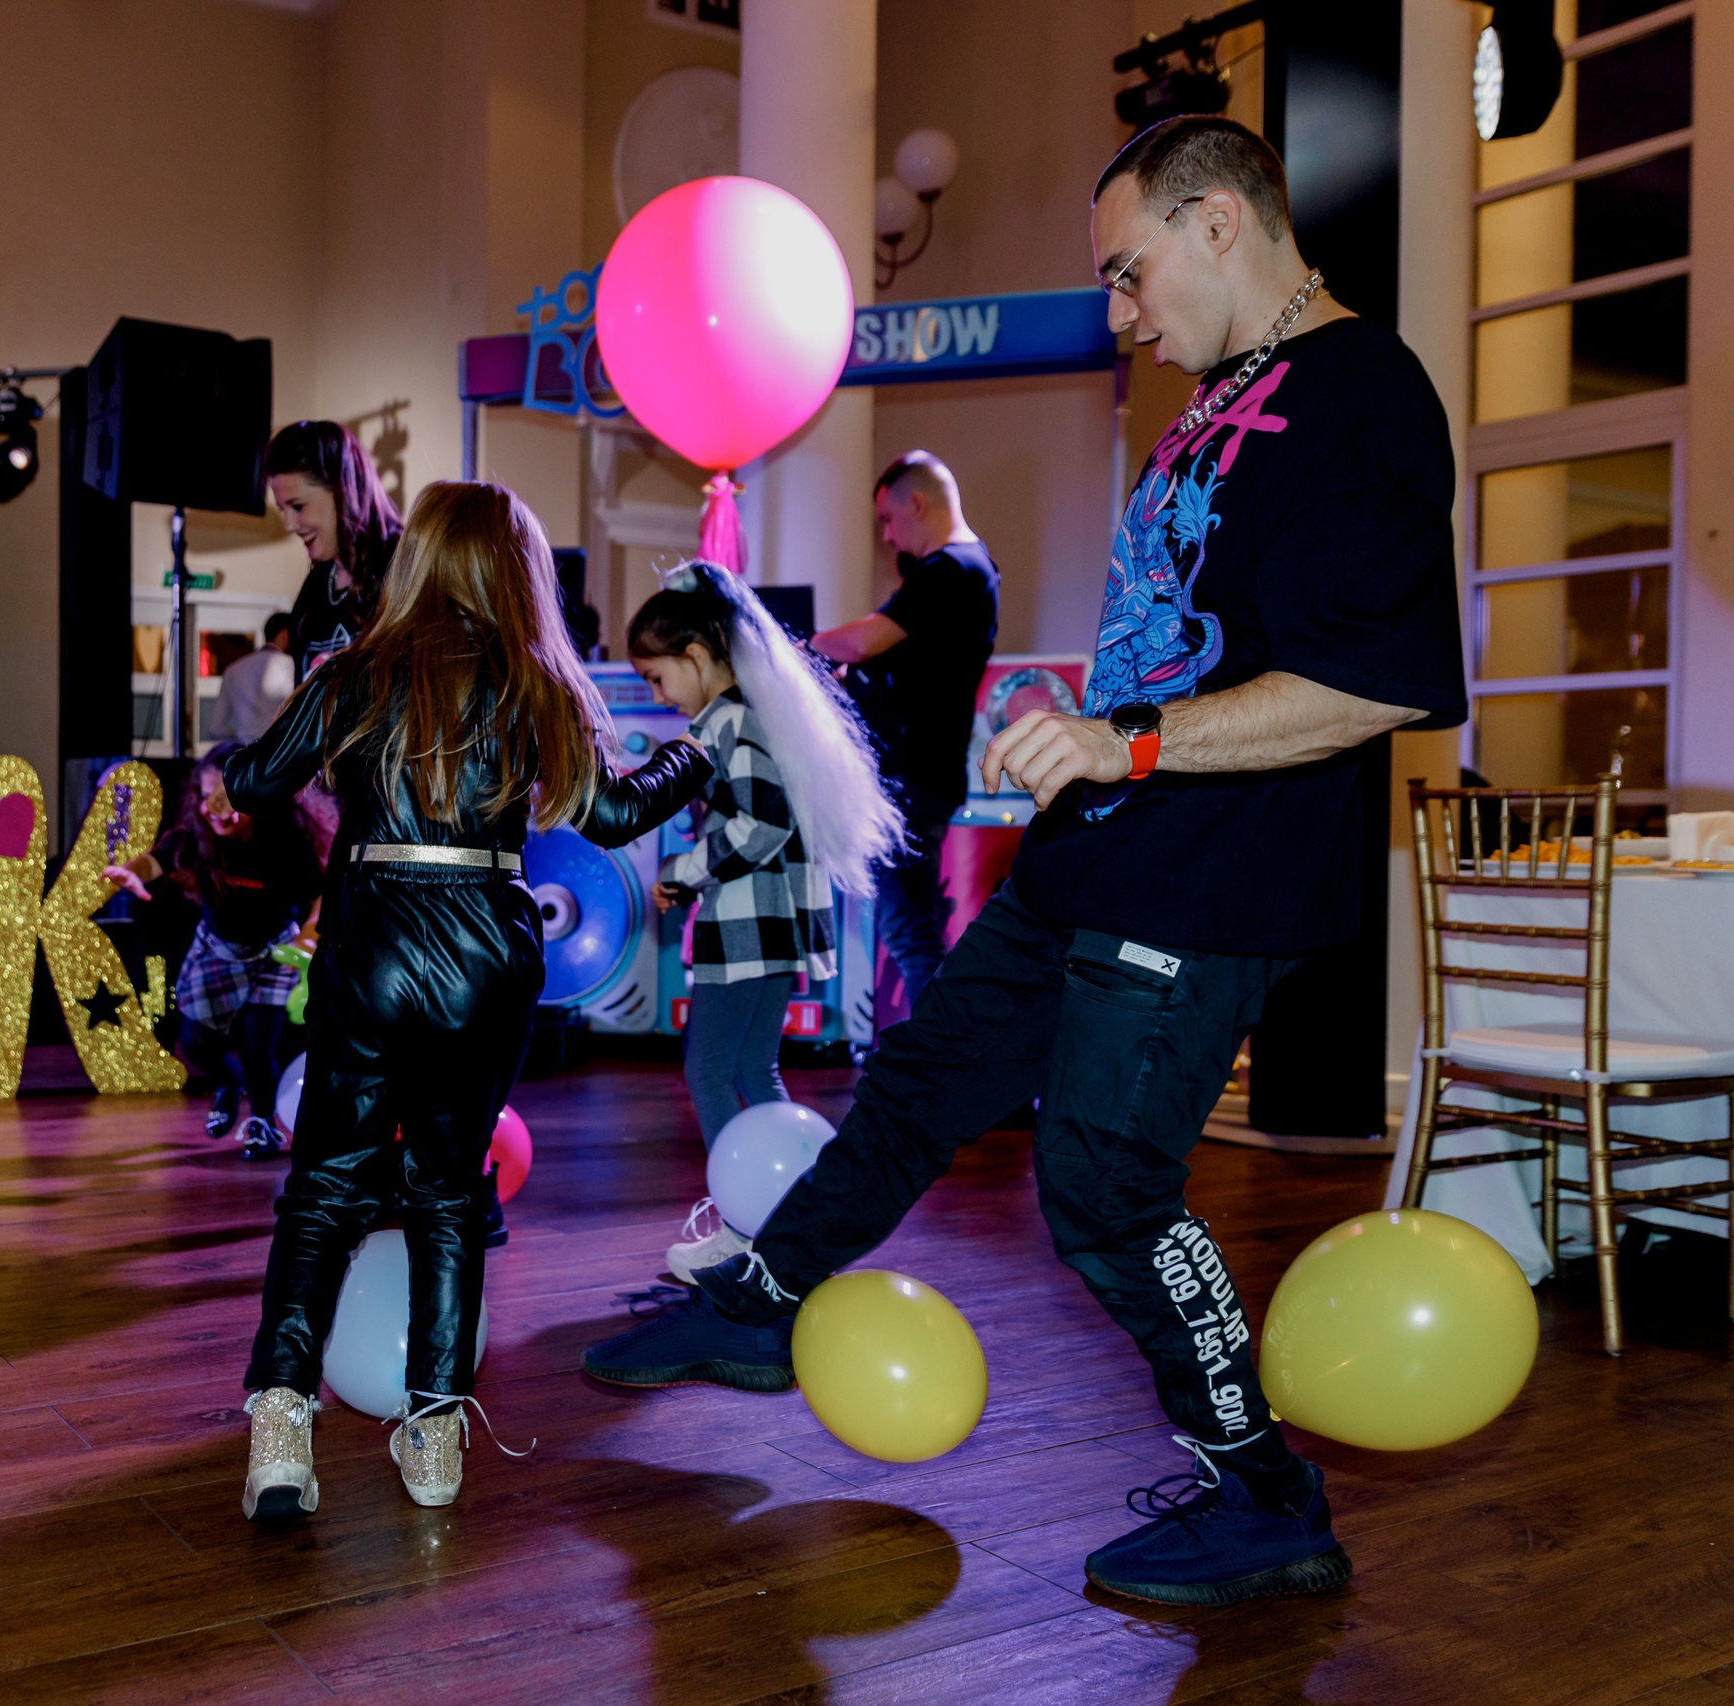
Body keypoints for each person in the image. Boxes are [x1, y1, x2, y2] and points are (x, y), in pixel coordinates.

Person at [582, 114, 1466, 1609]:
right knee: (925, 1074)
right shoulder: (1223, 389)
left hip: (1209, 877)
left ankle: (1265, 1497)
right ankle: (765, 1299)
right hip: (1101, 853)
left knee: (1108, 1184)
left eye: (1130, 276)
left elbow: (1380, 677)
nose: (1123, 317)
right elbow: (1187, 637)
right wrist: (1093, 735)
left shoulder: (1363, 391)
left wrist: (1127, 744)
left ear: (1217, 224)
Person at [224, 481, 710, 1519]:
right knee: (450, 1191)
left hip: (371, 936)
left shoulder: (355, 668)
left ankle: (279, 1424)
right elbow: (615, 813)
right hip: (486, 938)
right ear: (512, 567)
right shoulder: (534, 677)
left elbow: (258, 783)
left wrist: (274, 756)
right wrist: (696, 752)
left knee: (323, 1190)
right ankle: (435, 1431)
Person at [628, 563, 899, 1284]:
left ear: (694, 657)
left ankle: (742, 1228)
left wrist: (681, 874)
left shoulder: (726, 722)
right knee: (751, 1067)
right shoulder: (757, 716)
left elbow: (761, 824)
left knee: (710, 1069)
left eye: (657, 679)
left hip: (749, 925)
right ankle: (795, 1219)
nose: (657, 697)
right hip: (768, 923)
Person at [809, 453, 999, 1032]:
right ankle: (936, 1067)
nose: (887, 534)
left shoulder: (951, 570)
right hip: (920, 779)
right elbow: (903, 670)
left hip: (910, 783)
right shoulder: (967, 570)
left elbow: (866, 642)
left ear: (917, 503)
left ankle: (932, 1070)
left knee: (910, 933)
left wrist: (797, 648)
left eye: (889, 519)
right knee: (912, 928)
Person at [105, 741, 322, 1158]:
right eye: (208, 799)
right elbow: (161, 859)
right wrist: (132, 873)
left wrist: (309, 933)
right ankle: (228, 1082)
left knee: (259, 1048)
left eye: (229, 800)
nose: (218, 811)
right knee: (198, 1044)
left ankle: (262, 1124)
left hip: (271, 953)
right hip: (216, 950)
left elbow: (319, 891)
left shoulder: (284, 838)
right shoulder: (198, 835)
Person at [265, 421, 404, 681]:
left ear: (343, 491)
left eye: (297, 506)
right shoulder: (316, 587)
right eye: (283, 510)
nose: (289, 525)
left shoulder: (402, 570)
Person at [212, 612, 297, 741]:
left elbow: (215, 728)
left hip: (246, 753)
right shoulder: (290, 666)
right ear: (284, 634)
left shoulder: (233, 670)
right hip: (279, 752)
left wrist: (242, 738)